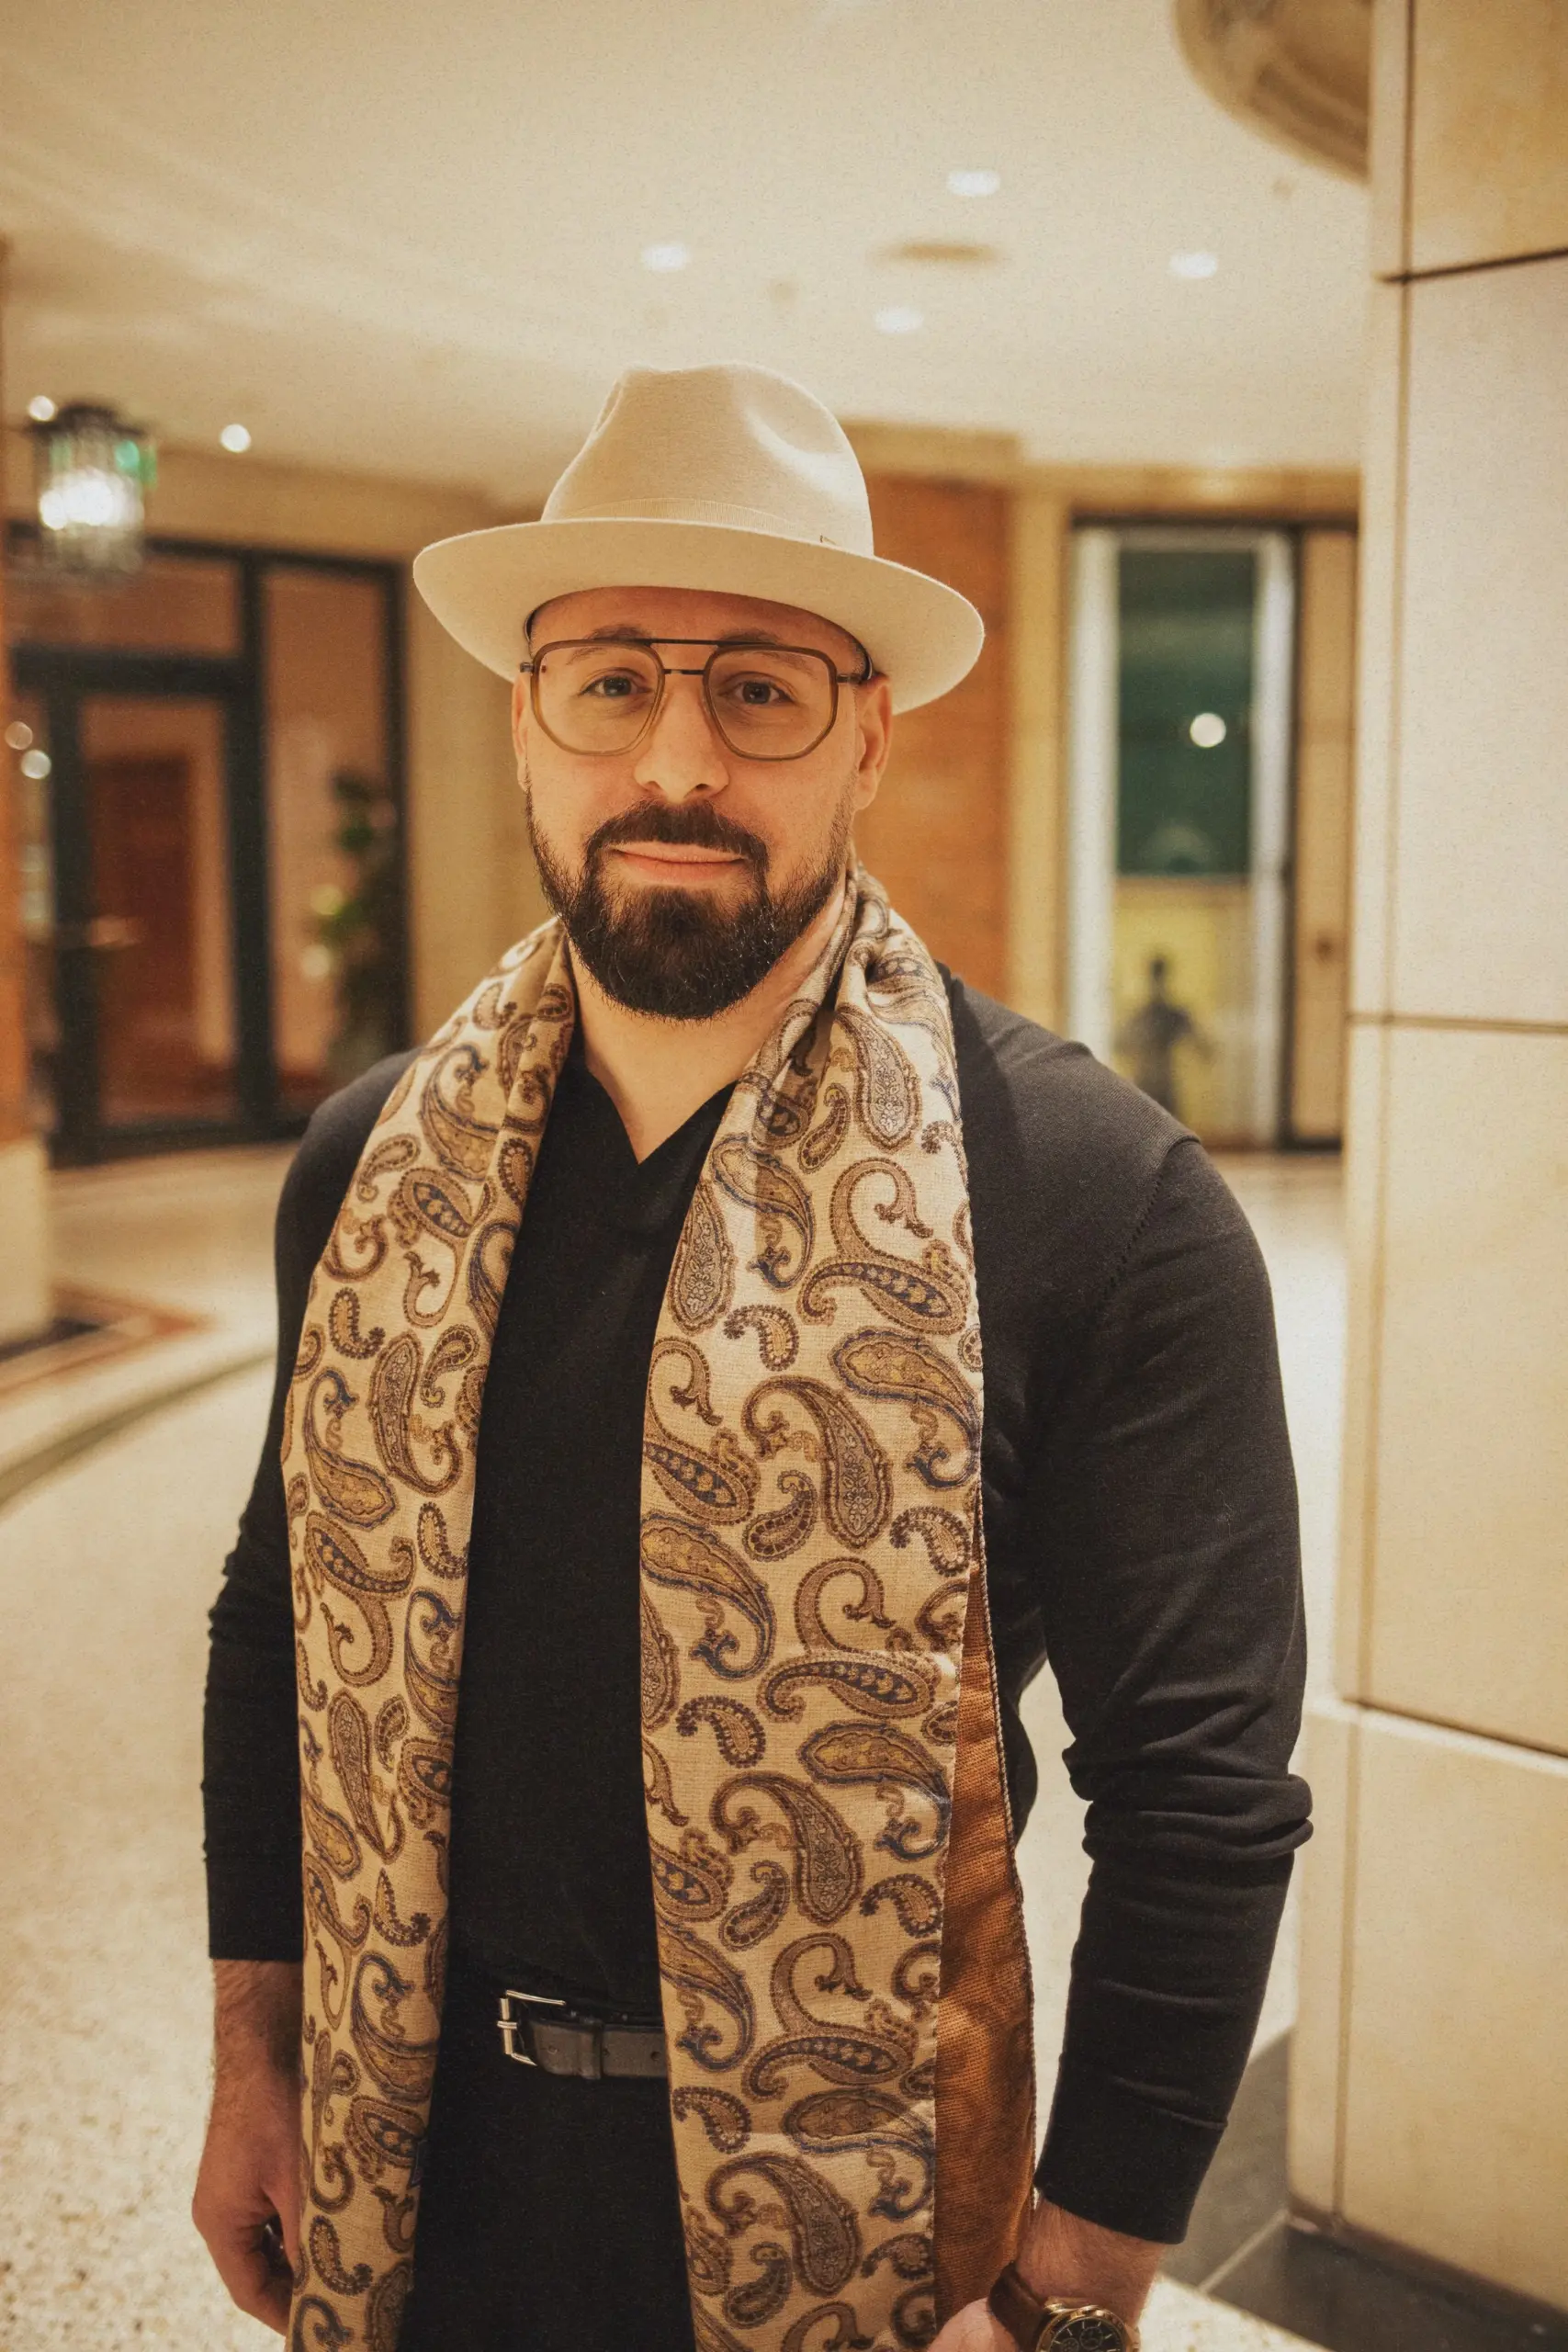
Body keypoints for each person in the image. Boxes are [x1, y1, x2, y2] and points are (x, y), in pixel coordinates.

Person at [194, 362, 1309, 2352]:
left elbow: (1200, 1793)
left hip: (876, 2219)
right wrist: (253, 2054)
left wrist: (1065, 2290)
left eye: (761, 690)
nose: (677, 760)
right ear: (525, 716)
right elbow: (278, 1619)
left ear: (866, 732)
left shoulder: (1092, 1198)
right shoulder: (370, 1165)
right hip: (414, 2172)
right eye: (610, 681)